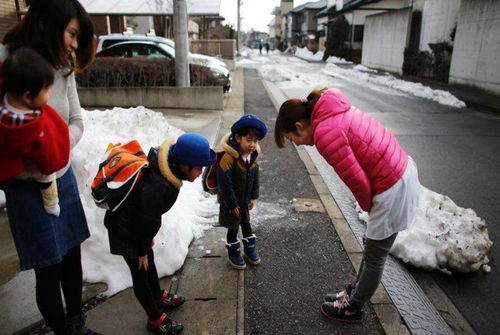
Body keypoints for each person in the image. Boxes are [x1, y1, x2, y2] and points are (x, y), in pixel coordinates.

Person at [274, 88, 421, 322]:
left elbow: (357, 181)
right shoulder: (331, 110)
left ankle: (353, 306)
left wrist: (369, 208)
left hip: (391, 187)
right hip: (399, 171)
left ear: (300, 126)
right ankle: (354, 291)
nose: (299, 145)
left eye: (295, 140)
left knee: (375, 255)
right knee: (371, 247)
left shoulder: (325, 133)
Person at [0, 0, 99, 334]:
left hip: (61, 174)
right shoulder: (6, 61)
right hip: (24, 186)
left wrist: (53, 151)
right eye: (72, 34)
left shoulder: (63, 65)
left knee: (72, 253)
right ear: (47, 22)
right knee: (48, 266)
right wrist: (31, 160)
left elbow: (76, 119)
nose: (74, 44)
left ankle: (76, 322)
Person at [104, 133, 216, 335]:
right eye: (198, 167)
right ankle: (154, 318)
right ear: (184, 165)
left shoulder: (167, 172)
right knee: (139, 272)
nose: (200, 172)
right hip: (125, 230)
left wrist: (145, 243)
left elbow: (146, 216)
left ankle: (157, 295)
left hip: (136, 227)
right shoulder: (159, 185)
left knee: (149, 261)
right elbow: (146, 218)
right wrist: (140, 249)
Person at [0, 48, 70, 217]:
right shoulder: (33, 126)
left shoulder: (5, 104)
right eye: (46, 90)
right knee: (46, 176)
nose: (50, 94)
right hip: (33, 168)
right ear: (27, 96)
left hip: (8, 166)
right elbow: (49, 160)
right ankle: (51, 203)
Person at [217, 114, 267, 269]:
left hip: (244, 200)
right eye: (249, 140)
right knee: (233, 227)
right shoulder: (228, 158)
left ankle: (250, 249)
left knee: (246, 224)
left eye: (255, 140)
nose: (252, 144)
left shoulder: (252, 157)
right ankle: (233, 253)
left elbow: (255, 178)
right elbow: (225, 184)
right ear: (238, 138)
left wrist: (253, 197)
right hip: (231, 202)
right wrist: (232, 204)